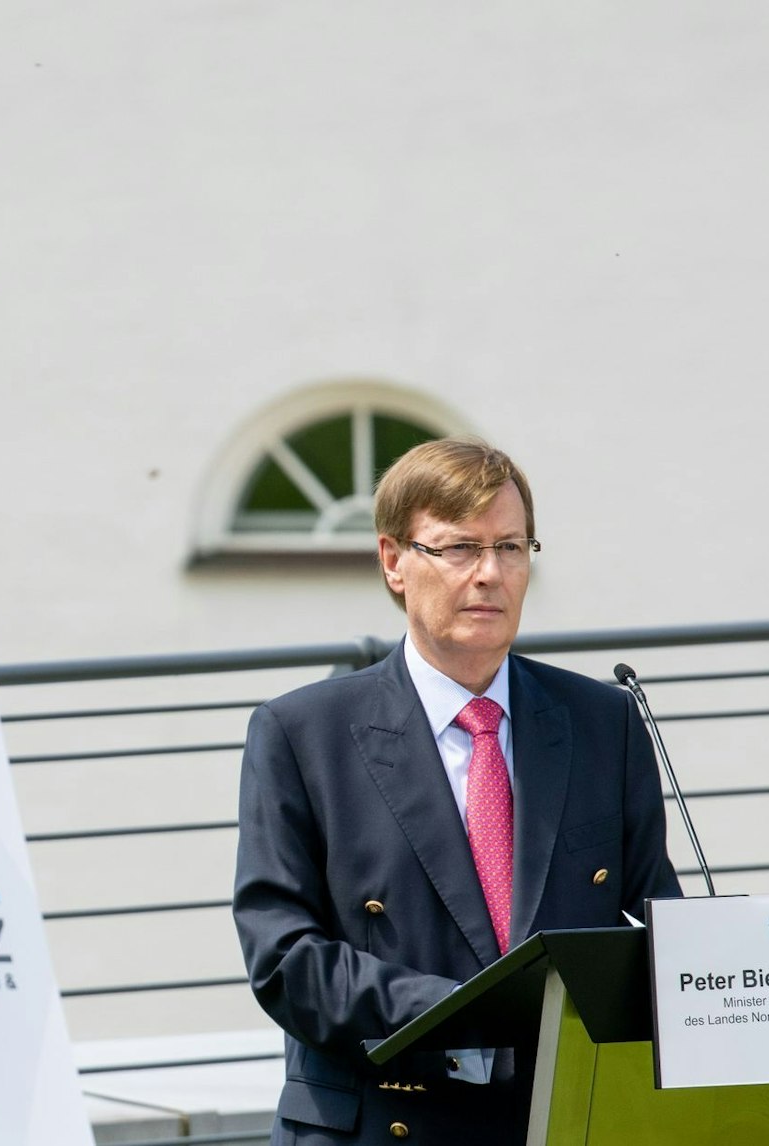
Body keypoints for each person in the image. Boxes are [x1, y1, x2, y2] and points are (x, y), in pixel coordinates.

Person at [232, 438, 680, 1144]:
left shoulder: (603, 721)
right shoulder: (302, 733)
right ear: (393, 561)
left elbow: (659, 920)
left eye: (510, 547)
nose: (490, 575)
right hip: (385, 1116)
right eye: (460, 549)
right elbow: (286, 959)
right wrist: (466, 1011)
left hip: (560, 1117)